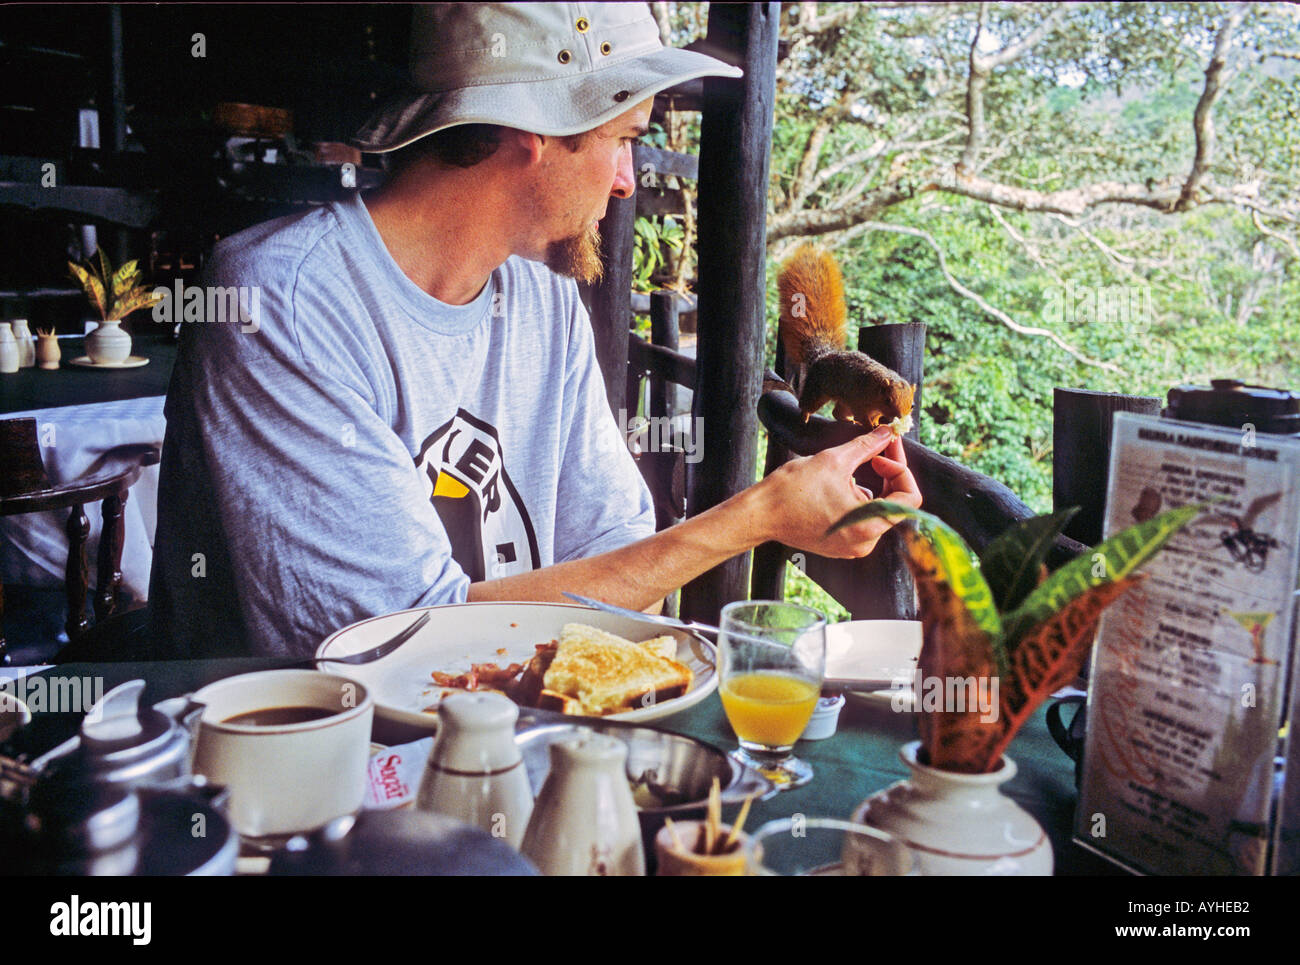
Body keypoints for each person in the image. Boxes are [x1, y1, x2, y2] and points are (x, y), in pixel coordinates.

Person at [149, 3, 922, 659]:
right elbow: (394, 648)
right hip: (291, 798)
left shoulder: (544, 307)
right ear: (537, 131)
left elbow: (613, 554)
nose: (627, 180)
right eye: (625, 136)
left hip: (502, 754)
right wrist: (759, 516)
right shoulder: (279, 302)